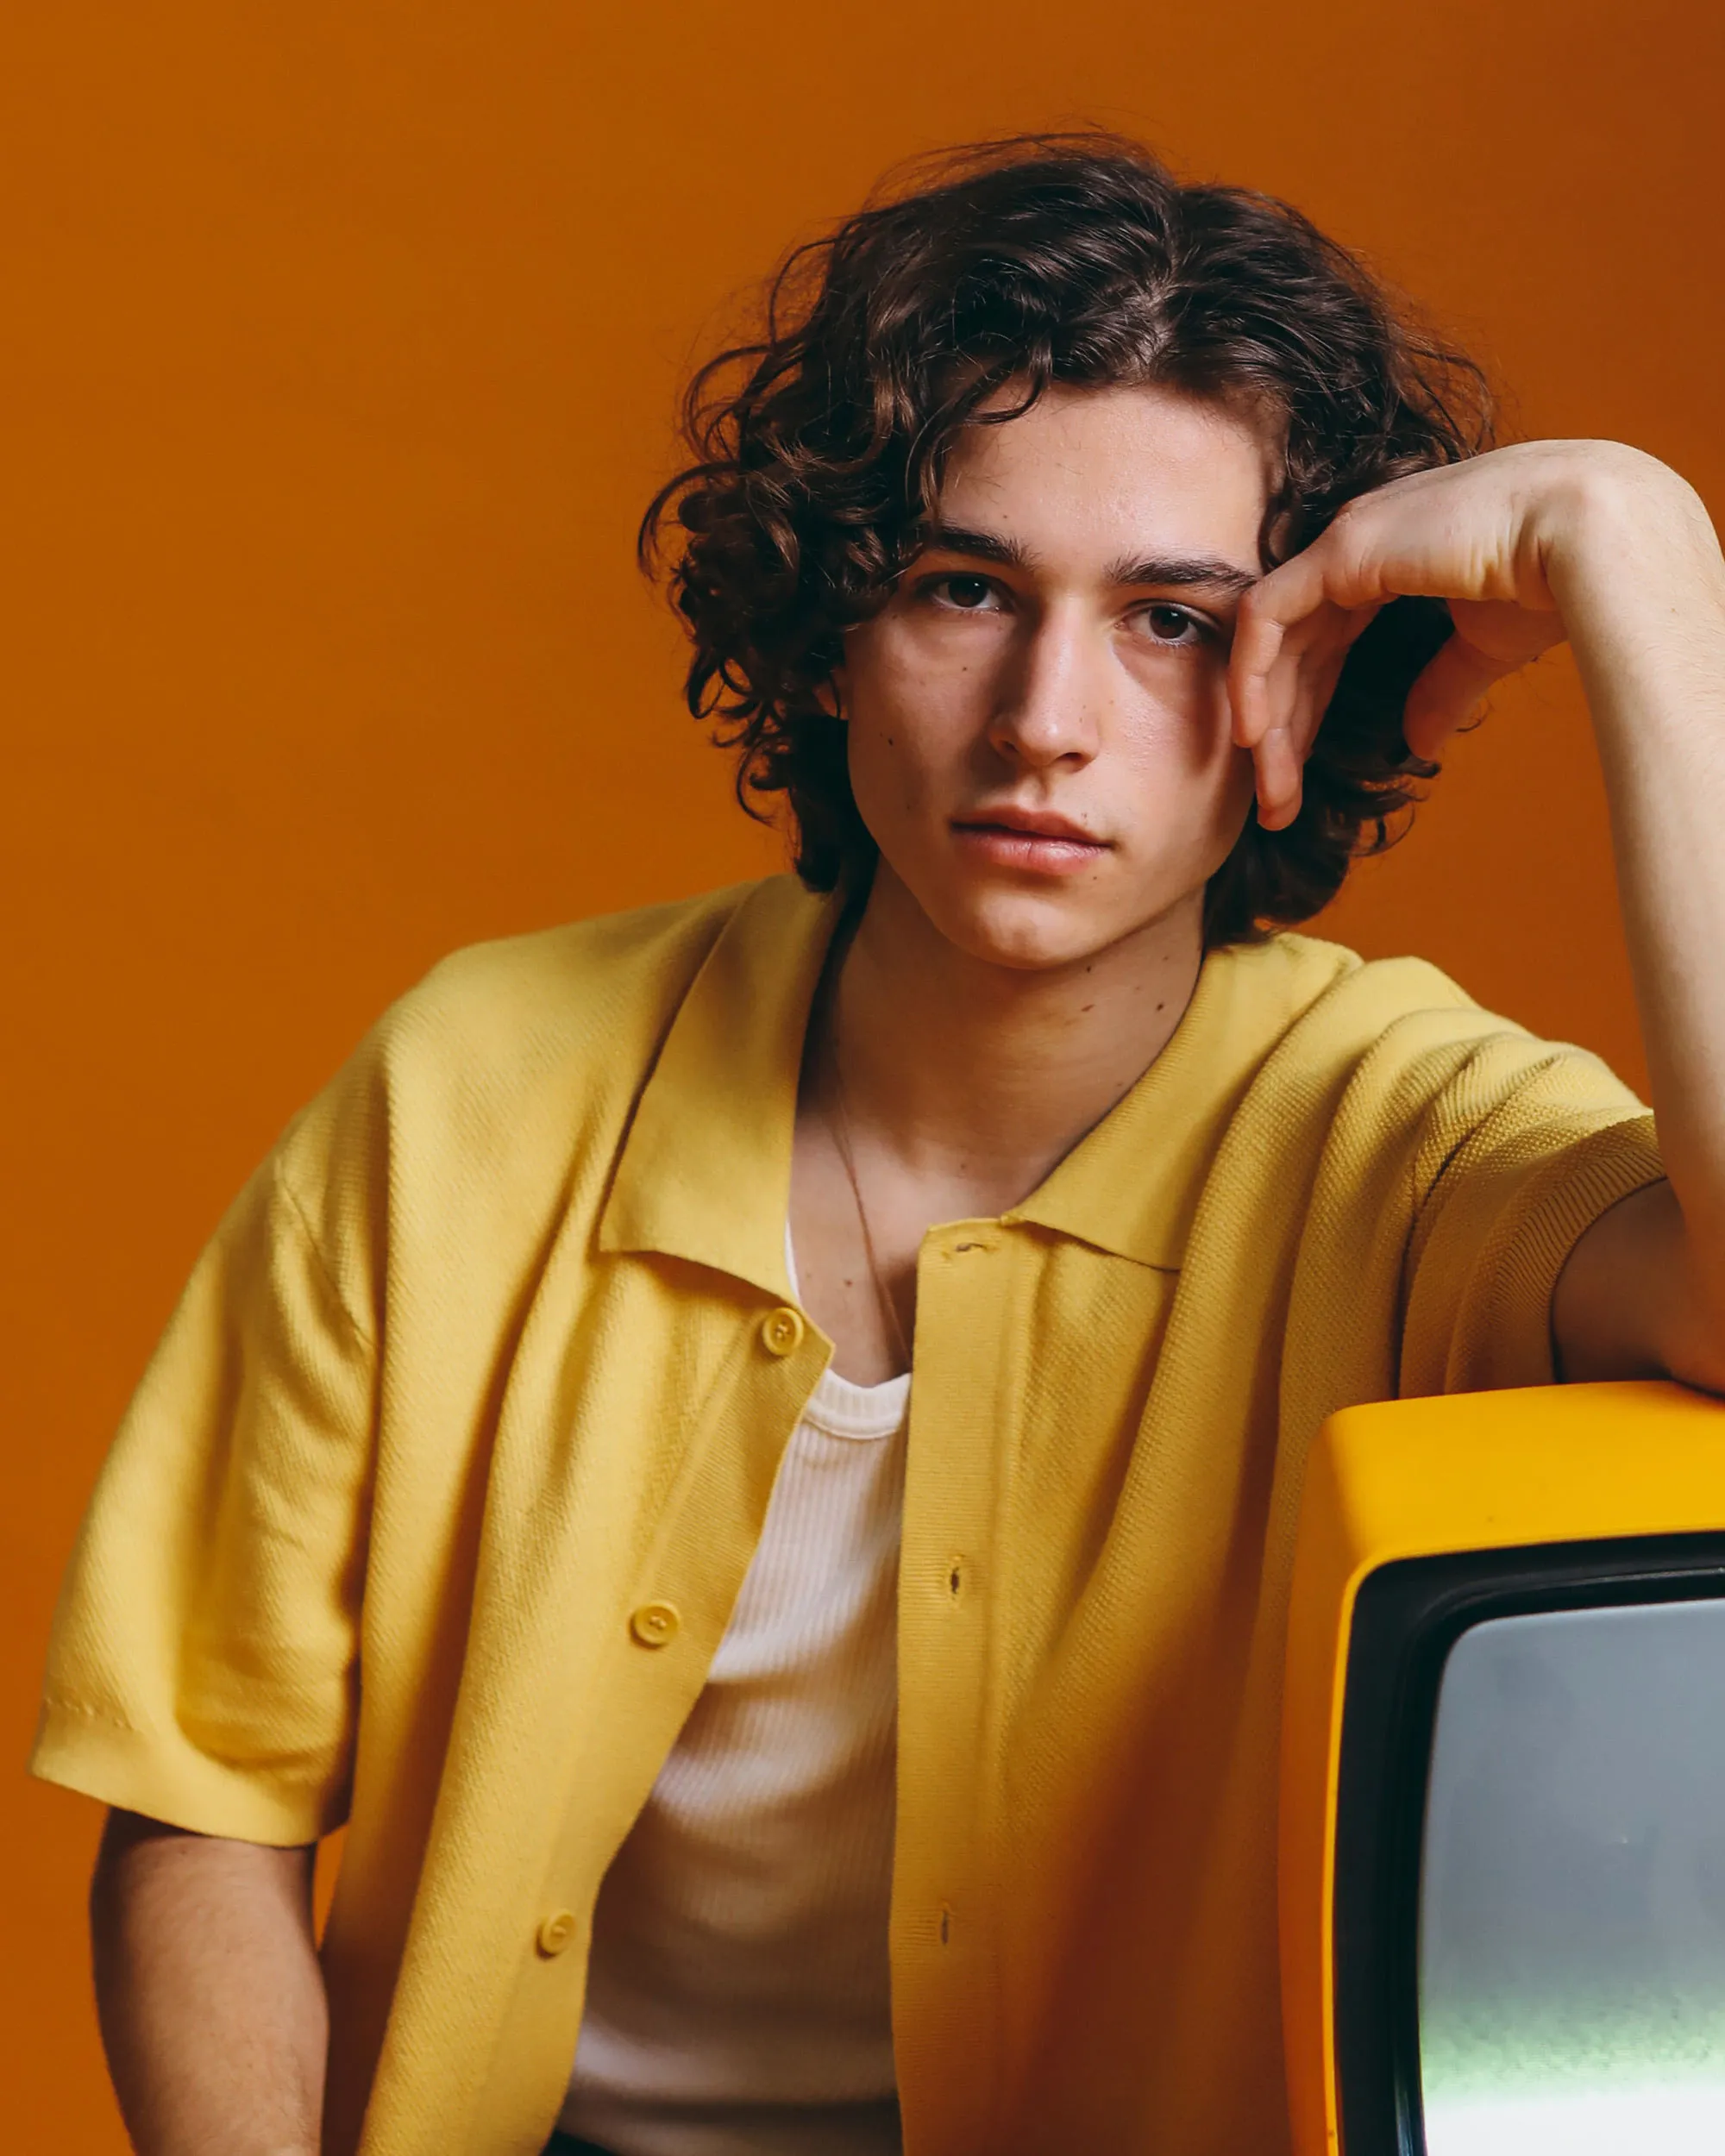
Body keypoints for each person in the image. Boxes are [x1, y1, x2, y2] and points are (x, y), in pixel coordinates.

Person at [31, 133, 1725, 2156]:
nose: (1045, 717)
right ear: (834, 627)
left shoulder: (1404, 1137)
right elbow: (203, 1813)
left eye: (1173, 620)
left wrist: (1641, 564)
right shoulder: (469, 1087)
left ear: (1311, 668)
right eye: (962, 586)